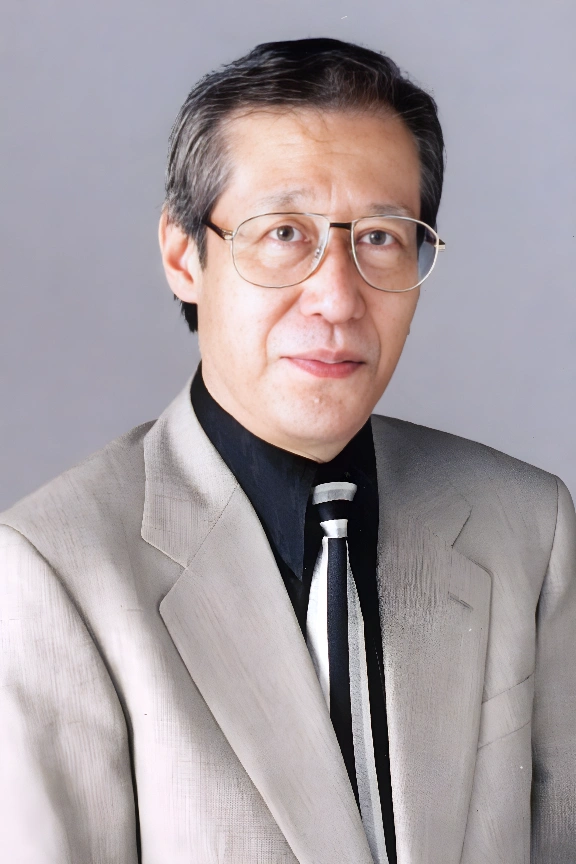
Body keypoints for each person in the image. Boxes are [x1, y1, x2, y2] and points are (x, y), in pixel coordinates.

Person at [0, 37, 574, 864]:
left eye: (381, 237)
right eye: (283, 233)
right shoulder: (54, 572)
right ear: (183, 256)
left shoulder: (525, 527)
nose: (337, 297)